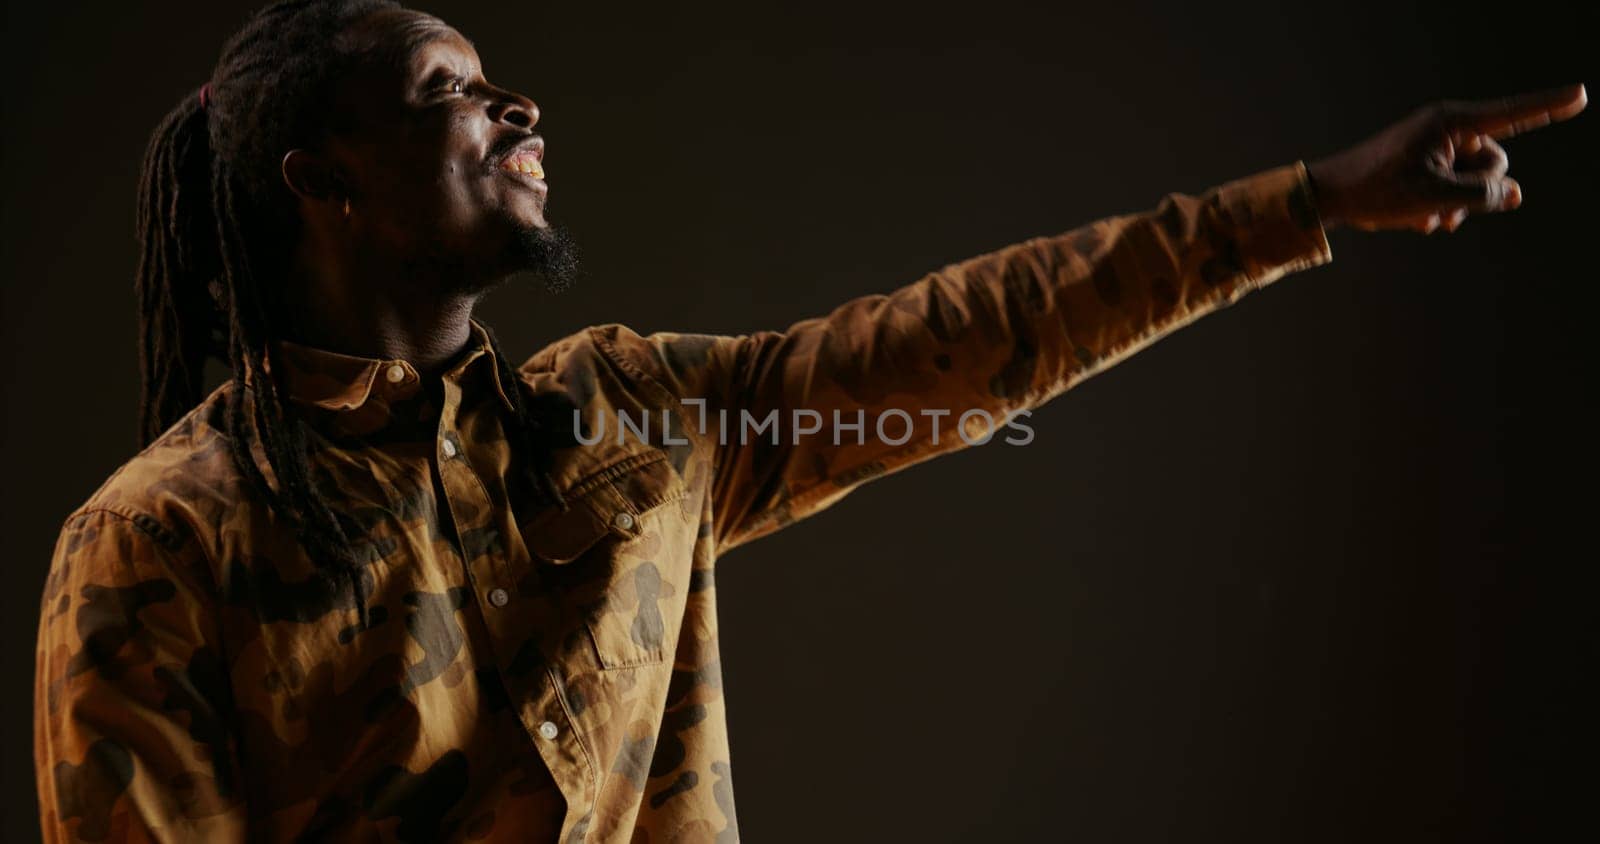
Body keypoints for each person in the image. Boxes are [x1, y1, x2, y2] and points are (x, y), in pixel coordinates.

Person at [31, 0, 1586, 841]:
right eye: (452, 89)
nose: (520, 111)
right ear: (322, 177)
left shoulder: (635, 413)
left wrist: (1307, 204)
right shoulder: (161, 539)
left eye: (505, 84)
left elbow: (967, 343)